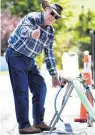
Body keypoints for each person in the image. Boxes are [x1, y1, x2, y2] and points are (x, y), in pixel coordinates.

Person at [5, 1, 64, 134]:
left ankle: (38, 121)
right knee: (21, 91)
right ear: (46, 9)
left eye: (56, 17)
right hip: (15, 55)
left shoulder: (50, 32)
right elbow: (25, 29)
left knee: (41, 87)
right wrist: (32, 33)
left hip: (30, 60)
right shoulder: (32, 17)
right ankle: (24, 125)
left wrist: (54, 75)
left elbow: (49, 54)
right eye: (52, 14)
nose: (53, 18)